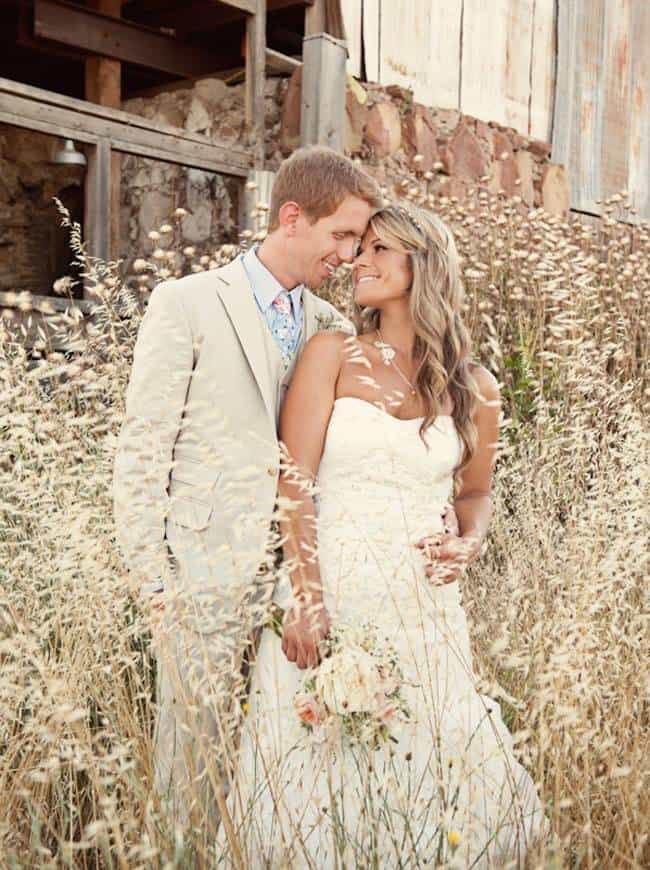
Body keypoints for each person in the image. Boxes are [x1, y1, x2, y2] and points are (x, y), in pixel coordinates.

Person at [113, 145, 459, 849]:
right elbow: (143, 450)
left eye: (361, 245)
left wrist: (433, 505)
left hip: (306, 590)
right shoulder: (188, 303)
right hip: (202, 580)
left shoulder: (332, 331)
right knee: (191, 783)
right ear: (293, 216)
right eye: (342, 237)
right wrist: (153, 579)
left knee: (280, 781)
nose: (349, 256)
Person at [216, 202, 549, 867]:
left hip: (422, 606)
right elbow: (296, 481)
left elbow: (475, 492)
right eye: (357, 248)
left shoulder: (476, 387)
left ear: (420, 266)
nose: (357, 262)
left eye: (377, 250)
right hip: (329, 588)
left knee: (426, 760)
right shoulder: (331, 353)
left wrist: (471, 540)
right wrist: (307, 596)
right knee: (312, 763)